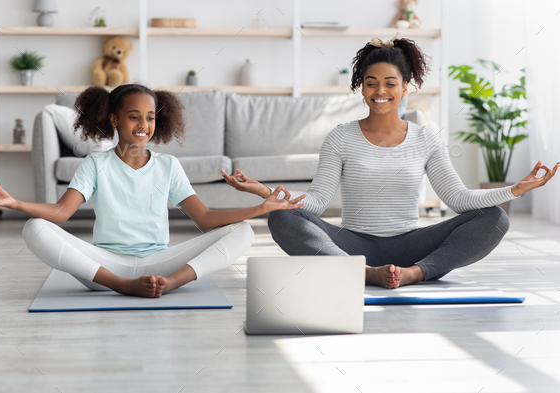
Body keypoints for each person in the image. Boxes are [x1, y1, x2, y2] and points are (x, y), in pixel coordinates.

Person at [222, 34, 559, 289]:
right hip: (351, 245)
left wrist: (516, 189)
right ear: (361, 88)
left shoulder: (425, 138)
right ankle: (366, 274)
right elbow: (317, 202)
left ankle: (414, 273)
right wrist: (264, 192)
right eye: (371, 83)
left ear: (406, 88)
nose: (379, 91)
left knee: (495, 219)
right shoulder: (340, 136)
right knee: (283, 221)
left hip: (412, 244)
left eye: (389, 83)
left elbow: (459, 200)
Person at [0, 84, 305, 298]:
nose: (144, 125)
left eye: (150, 117)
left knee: (243, 232)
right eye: (134, 117)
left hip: (159, 262)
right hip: (103, 268)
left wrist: (260, 209)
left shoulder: (168, 165)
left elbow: (203, 217)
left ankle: (171, 284)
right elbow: (61, 214)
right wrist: (13, 203)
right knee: (35, 229)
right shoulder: (95, 164)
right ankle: (123, 287)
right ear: (114, 120)